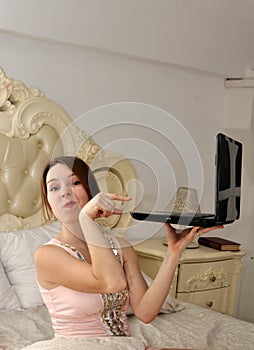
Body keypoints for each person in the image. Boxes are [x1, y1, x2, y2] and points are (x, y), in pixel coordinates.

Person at [35, 156, 223, 350]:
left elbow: (146, 312)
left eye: (75, 183)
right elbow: (112, 282)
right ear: (49, 203)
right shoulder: (47, 256)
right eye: (54, 188)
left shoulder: (121, 247)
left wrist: (173, 253)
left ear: (92, 192)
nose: (65, 192)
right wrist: (86, 218)